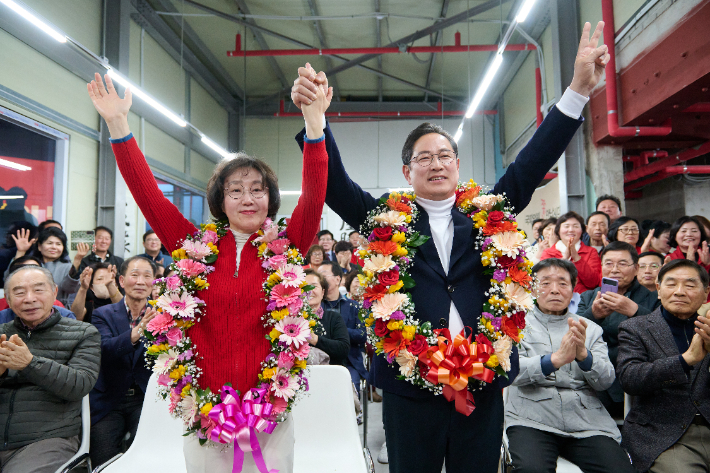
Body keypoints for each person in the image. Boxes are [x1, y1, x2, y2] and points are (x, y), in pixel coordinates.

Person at [292, 20, 610, 473]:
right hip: (409, 383)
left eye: (444, 156)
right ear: (407, 173)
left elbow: (536, 156)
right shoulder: (387, 218)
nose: (435, 164)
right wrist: (315, 123)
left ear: (458, 165)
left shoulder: (488, 213)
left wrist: (578, 89)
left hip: (480, 382)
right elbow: (336, 187)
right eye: (423, 158)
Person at [87, 67, 330, 473]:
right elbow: (148, 194)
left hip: (270, 411)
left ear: (270, 198)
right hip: (205, 411)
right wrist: (117, 124)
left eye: (258, 189)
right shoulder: (191, 248)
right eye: (235, 190)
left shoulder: (287, 246)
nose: (247, 198)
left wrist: (314, 122)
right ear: (221, 199)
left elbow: (315, 189)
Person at [505, 258, 634, 473]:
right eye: (545, 283)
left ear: (573, 289)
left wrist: (584, 355)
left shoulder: (590, 328)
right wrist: (555, 360)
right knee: (530, 469)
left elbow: (605, 381)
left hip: (587, 422)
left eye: (563, 283)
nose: (554, 290)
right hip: (531, 419)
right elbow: (511, 371)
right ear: (531, 287)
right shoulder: (516, 324)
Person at [0, 265, 100, 473]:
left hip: (47, 438)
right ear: (8, 301)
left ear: (54, 291)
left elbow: (80, 384)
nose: (29, 298)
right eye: (19, 292)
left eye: (38, 289)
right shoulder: (2, 333)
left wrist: (30, 363)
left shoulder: (83, 333)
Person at [617, 259, 710, 472]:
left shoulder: (708, 328)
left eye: (689, 285)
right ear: (658, 289)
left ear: (706, 293)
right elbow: (630, 378)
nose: (679, 291)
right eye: (671, 284)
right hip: (664, 434)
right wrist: (685, 360)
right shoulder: (636, 328)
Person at [89, 256, 158, 466]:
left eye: (147, 276)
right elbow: (104, 349)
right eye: (134, 275)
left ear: (154, 282)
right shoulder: (103, 314)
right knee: (104, 458)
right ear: (121, 280)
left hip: (145, 399)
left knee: (147, 457)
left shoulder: (163, 315)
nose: (140, 282)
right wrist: (135, 333)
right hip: (110, 399)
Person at [577, 241, 660, 417]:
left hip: (636, 377)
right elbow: (573, 334)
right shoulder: (589, 297)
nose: (614, 269)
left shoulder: (652, 299)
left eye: (622, 263)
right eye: (608, 263)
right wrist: (594, 315)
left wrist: (635, 311)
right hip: (594, 377)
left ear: (636, 268)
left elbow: (662, 335)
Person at [317, 261, 368, 390]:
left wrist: (340, 332)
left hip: (348, 360)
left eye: (323, 275)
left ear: (337, 279)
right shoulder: (315, 306)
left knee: (351, 388)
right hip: (319, 359)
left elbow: (362, 335)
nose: (320, 279)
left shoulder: (354, 306)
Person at [16, 227, 88, 306]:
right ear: (39, 246)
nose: (54, 247)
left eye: (58, 244)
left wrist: (77, 260)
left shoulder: (68, 267)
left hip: (58, 311)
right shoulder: (31, 264)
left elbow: (70, 288)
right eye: (49, 243)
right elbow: (11, 279)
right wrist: (21, 251)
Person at [540, 212, 602, 293]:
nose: (571, 230)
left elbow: (593, 283)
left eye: (575, 226)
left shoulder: (591, 252)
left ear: (582, 230)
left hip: (582, 301)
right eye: (566, 226)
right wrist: (564, 259)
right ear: (558, 230)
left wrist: (577, 258)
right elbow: (544, 279)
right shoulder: (548, 252)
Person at [303, 270, 349, 367]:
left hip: (330, 374)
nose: (309, 290)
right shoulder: (292, 320)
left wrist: (315, 339)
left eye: (314, 286)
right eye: (304, 286)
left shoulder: (334, 318)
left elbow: (343, 349)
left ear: (323, 292)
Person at [0, 256, 68, 313]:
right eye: (20, 292)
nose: (30, 299)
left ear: (54, 293)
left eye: (38, 290)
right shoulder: (2, 310)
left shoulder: (59, 309)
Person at [0, 222, 37, 286]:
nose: (6, 237)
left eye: (11, 233)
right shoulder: (5, 253)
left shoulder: (35, 257)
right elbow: (8, 278)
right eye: (7, 233)